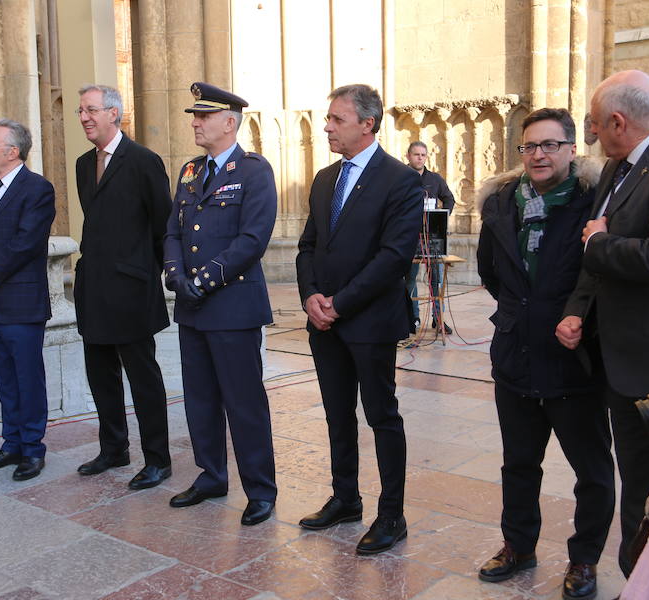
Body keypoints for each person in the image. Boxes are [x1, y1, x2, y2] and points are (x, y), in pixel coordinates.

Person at [476, 108, 614, 600]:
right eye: (530, 146)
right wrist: (522, 316)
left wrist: (578, 320)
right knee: (518, 463)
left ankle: (584, 559)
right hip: (515, 354)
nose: (538, 155)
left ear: (571, 149)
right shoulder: (500, 205)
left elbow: (602, 276)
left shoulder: (595, 203)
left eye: (550, 145)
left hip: (573, 357)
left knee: (591, 470)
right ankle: (518, 546)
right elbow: (492, 273)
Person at [556, 69, 649, 576]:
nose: (593, 136)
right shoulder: (619, 166)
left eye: (593, 125)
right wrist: (576, 310)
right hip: (620, 363)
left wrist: (599, 242)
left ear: (617, 121)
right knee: (636, 485)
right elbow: (597, 255)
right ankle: (639, 580)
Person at [295, 84, 422, 554]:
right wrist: (311, 296)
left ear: (367, 124)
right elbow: (308, 245)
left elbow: (393, 258)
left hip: (368, 322)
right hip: (323, 322)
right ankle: (345, 498)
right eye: (328, 119)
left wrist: (340, 303)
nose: (326, 127)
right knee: (336, 413)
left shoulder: (401, 181)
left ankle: (392, 515)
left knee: (381, 415)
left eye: (336, 119)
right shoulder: (325, 178)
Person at [163, 82, 277, 526]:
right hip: (192, 307)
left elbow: (252, 240)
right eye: (195, 116)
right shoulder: (190, 171)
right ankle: (211, 474)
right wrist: (175, 275)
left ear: (229, 123)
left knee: (243, 402)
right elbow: (173, 230)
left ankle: (260, 489)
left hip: (231, 305)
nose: (195, 123)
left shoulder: (253, 171)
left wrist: (203, 280)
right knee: (200, 399)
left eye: (203, 117)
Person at [72, 84, 173, 489]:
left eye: (91, 110)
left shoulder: (144, 161)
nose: (84, 117)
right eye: (81, 111)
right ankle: (114, 448)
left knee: (143, 378)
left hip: (132, 291)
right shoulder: (83, 164)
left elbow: (163, 227)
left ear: (115, 114)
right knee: (101, 375)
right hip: (93, 289)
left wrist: (147, 274)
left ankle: (158, 459)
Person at [0, 119, 56, 482]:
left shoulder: (37, 189)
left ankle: (33, 449)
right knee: (4, 377)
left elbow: (27, 242)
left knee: (27, 377)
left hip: (20, 303)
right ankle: (11, 443)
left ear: (12, 151)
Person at [403, 141, 455, 334]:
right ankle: (413, 317)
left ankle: (437, 318)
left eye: (423, 155)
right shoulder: (400, 177)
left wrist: (442, 216)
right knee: (410, 278)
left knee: (436, 279)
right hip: (410, 237)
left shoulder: (434, 179)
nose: (420, 158)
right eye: (416, 154)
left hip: (432, 236)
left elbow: (449, 198)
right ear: (408, 156)